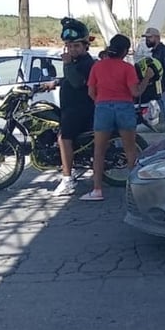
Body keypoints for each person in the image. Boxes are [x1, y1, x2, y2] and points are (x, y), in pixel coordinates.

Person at [81, 34, 152, 201]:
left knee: (99, 151)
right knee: (130, 150)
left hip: (103, 107)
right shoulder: (127, 68)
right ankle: (135, 192)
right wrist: (147, 78)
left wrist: (101, 101)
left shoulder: (97, 67)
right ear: (125, 51)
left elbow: (91, 92)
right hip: (124, 108)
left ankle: (97, 190)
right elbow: (136, 92)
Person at [44, 17, 97, 197]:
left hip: (79, 109)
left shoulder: (87, 63)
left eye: (76, 46)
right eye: (69, 46)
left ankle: (67, 179)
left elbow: (77, 82)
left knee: (63, 138)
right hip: (70, 108)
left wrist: (66, 64)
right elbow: (69, 79)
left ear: (85, 46)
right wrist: (55, 82)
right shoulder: (76, 63)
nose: (72, 49)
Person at [142, 27, 165, 136]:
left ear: (157, 37)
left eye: (149, 37)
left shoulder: (164, 52)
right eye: (146, 38)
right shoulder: (156, 52)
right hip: (160, 90)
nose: (147, 40)